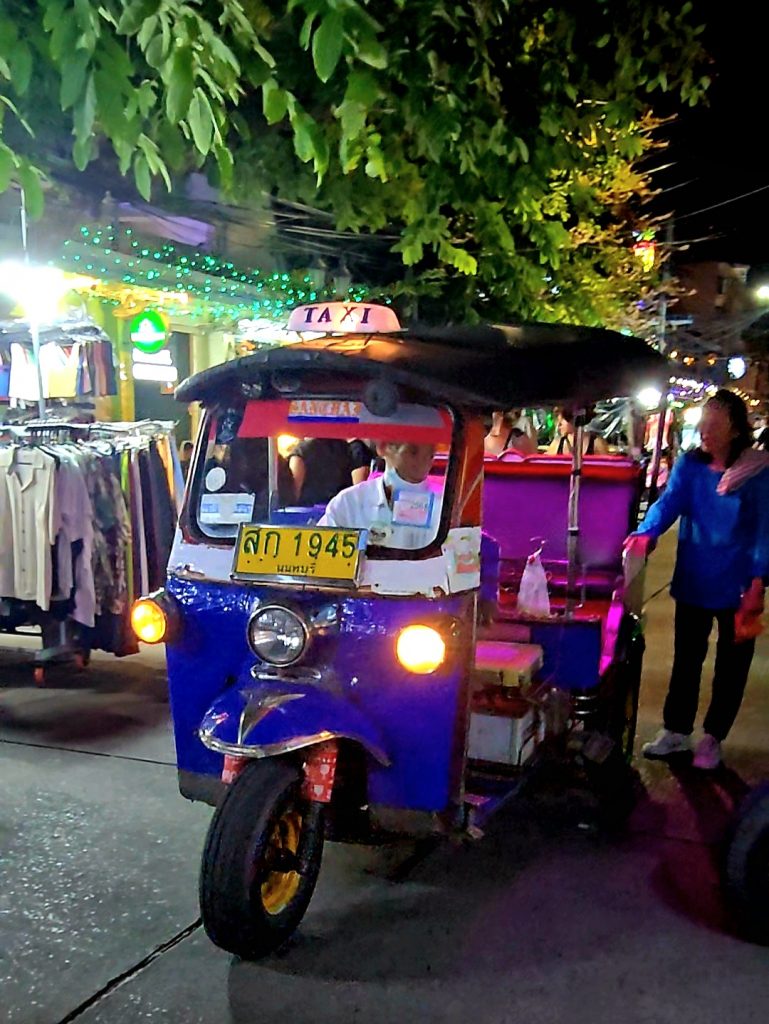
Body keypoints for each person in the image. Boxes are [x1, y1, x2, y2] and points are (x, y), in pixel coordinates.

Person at [628, 390, 769, 770]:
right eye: (703, 424)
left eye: (714, 425)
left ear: (736, 429)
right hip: (694, 577)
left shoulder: (757, 472)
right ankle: (676, 731)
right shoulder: (689, 466)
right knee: (687, 659)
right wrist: (647, 531)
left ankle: (713, 737)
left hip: (738, 584)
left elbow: (763, 531)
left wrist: (758, 582)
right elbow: (669, 503)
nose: (705, 432)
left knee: (731, 666)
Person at [319, 441, 441, 549]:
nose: (423, 461)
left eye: (430, 454)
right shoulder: (349, 502)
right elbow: (322, 554)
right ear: (383, 447)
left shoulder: (444, 506)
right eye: (413, 452)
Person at [288, 438, 354, 506]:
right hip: (340, 509)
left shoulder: (301, 452)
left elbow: (294, 494)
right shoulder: (347, 448)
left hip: (308, 512)